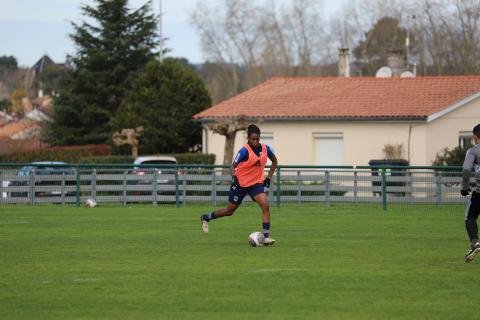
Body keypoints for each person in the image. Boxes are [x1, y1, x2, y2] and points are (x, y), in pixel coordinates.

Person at [200, 124, 278, 246]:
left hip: (256, 184)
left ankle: (266, 237)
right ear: (248, 138)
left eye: (257, 139)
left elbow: (274, 161)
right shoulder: (244, 151)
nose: (255, 141)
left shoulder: (265, 149)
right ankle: (206, 217)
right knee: (229, 211)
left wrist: (268, 177)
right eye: (253, 139)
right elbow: (232, 166)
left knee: (265, 206)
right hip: (240, 184)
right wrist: (234, 177)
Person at [462, 124, 480, 262]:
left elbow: (467, 169)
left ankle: (475, 243)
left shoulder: (473, 151)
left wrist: (465, 187)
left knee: (470, 217)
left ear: (475, 137)